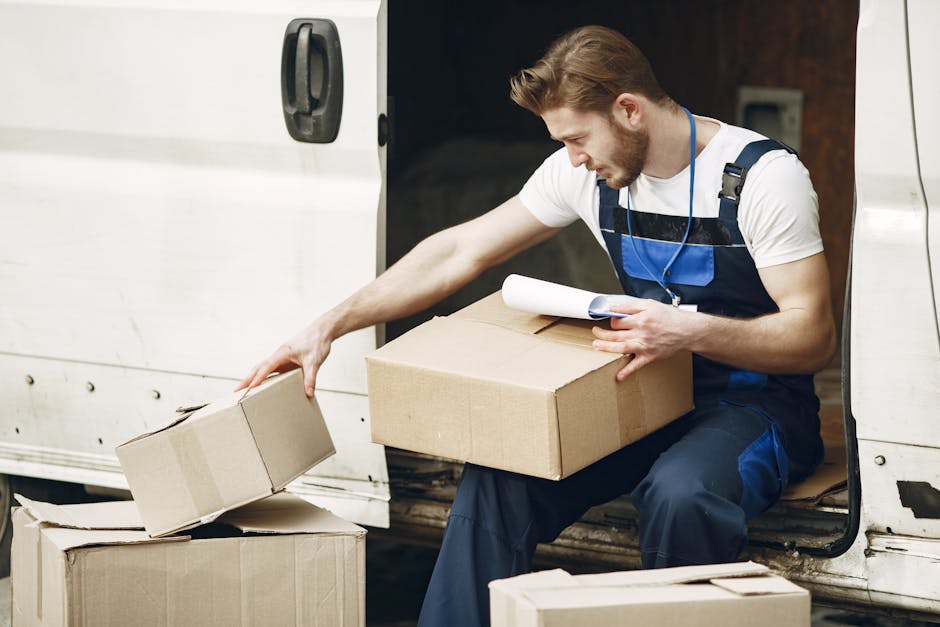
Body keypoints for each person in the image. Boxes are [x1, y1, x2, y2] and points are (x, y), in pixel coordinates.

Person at [238, 25, 836, 627]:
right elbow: (459, 252)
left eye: (578, 138)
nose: (572, 158)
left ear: (628, 110)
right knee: (499, 473)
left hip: (757, 406)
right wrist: (329, 324)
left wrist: (687, 331)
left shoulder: (760, 176)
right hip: (645, 391)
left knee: (680, 494)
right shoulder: (584, 171)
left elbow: (813, 338)